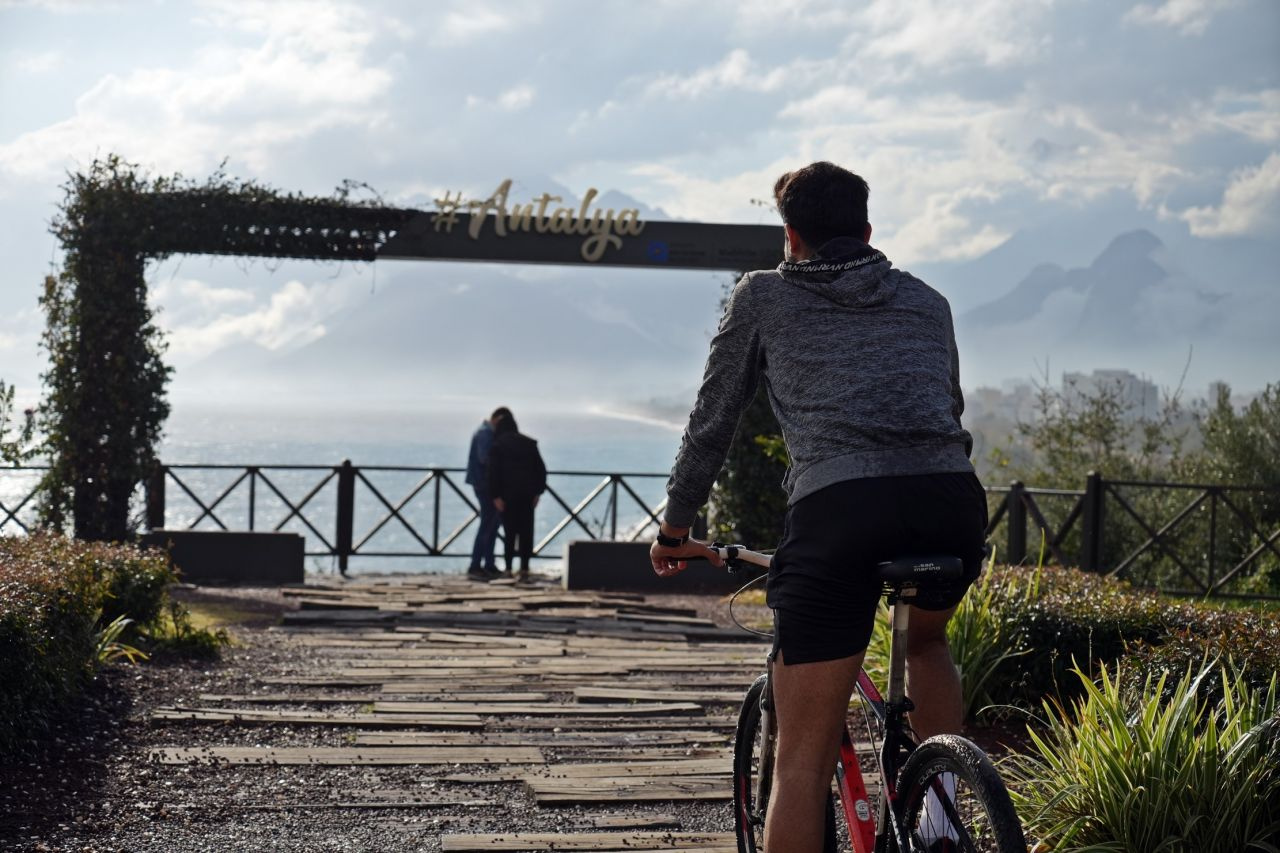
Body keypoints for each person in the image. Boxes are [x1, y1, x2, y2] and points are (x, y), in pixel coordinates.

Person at [650, 162, 987, 853]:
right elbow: (946, 411)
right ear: (867, 231)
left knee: (800, 760)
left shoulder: (763, 297)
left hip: (841, 511)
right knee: (926, 637)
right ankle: (941, 816)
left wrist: (675, 529)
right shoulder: (929, 300)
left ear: (789, 235)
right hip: (951, 502)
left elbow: (712, 423)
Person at [487, 411, 547, 581]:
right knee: (526, 532)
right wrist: (537, 492)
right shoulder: (529, 444)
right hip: (527, 496)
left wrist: (495, 496)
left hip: (507, 497)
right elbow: (540, 470)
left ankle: (508, 567)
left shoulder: (497, 446)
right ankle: (525, 566)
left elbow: (493, 473)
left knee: (509, 533)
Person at [465, 407, 510, 582]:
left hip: (483, 483)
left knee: (491, 524)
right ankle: (476, 564)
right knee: (488, 524)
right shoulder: (485, 434)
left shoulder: (483, 432)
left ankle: (487, 563)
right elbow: (485, 458)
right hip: (484, 484)